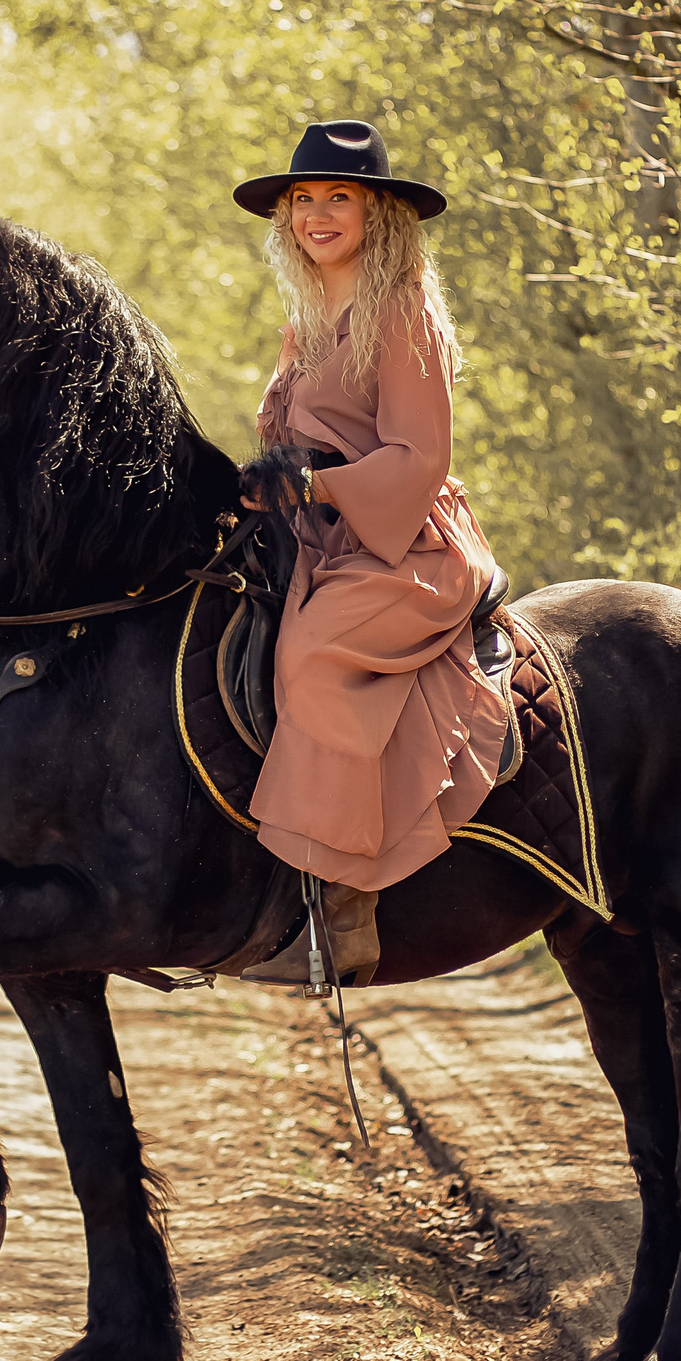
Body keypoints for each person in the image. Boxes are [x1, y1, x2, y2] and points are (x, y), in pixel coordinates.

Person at [229, 120, 512, 987]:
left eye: (338, 197)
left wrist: (313, 483)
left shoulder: (404, 311)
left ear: (376, 212)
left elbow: (418, 457)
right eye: (302, 199)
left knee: (316, 653)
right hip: (319, 538)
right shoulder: (308, 322)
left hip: (407, 545)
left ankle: (346, 907)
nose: (316, 214)